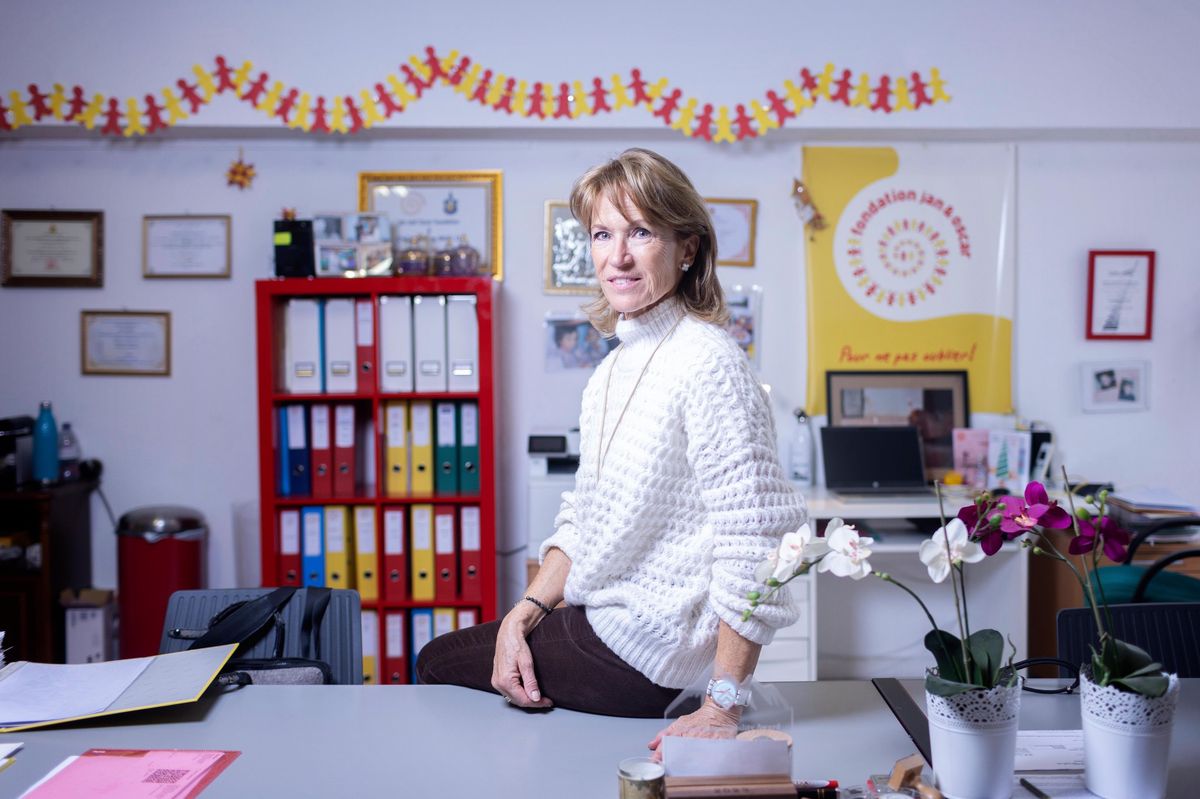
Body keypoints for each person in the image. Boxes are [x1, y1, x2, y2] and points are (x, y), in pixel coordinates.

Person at [416, 148, 806, 755]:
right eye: (603, 233)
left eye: (641, 232)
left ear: (688, 247)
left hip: (644, 651)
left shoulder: (708, 361)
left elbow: (756, 540)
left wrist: (722, 705)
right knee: (491, 651)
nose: (617, 256)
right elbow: (583, 521)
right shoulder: (614, 369)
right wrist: (522, 614)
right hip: (606, 624)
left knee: (436, 661)